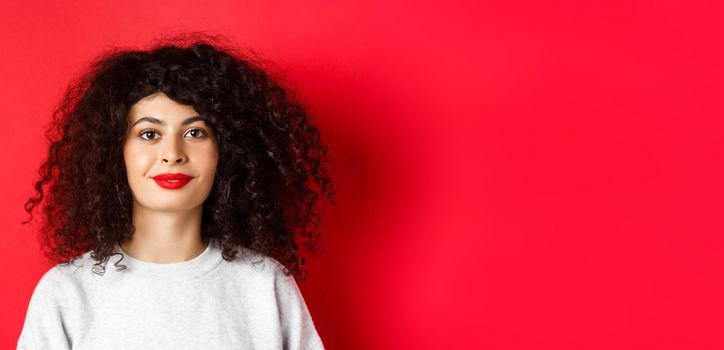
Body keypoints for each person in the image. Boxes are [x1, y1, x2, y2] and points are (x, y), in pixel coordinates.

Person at [17, 33, 336, 350]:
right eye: (149, 134)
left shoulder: (265, 285)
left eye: (195, 132)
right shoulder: (67, 293)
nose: (172, 153)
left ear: (226, 152)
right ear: (116, 152)